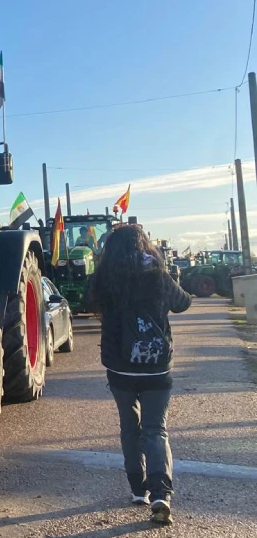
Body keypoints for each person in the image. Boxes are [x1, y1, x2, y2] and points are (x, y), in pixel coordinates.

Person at [87, 225, 192, 526]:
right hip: (157, 366)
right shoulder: (157, 274)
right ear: (144, 245)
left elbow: (87, 303)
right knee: (156, 430)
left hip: (120, 367)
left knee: (129, 427)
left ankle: (137, 488)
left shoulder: (106, 277)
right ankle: (161, 494)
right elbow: (183, 303)